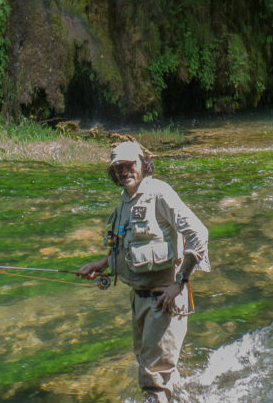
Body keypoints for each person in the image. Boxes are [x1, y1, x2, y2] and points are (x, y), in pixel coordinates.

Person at [76, 140, 209, 403]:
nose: (125, 171)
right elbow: (127, 246)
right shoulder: (124, 202)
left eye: (130, 165)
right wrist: (101, 264)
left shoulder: (160, 194)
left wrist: (179, 284)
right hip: (139, 300)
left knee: (153, 380)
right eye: (118, 167)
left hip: (164, 301)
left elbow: (199, 234)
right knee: (153, 368)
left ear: (143, 164)